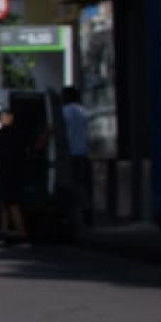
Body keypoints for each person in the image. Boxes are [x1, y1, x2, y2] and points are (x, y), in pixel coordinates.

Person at [0, 106, 31, 246]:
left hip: (11, 173)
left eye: (6, 116)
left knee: (12, 204)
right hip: (9, 173)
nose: (4, 119)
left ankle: (22, 235)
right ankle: (5, 233)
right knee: (5, 204)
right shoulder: (3, 135)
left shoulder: (6, 135)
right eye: (3, 116)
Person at [60, 85, 92, 227]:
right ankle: (87, 214)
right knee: (82, 186)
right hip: (83, 153)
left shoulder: (63, 112)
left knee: (68, 187)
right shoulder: (84, 112)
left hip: (69, 154)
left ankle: (71, 217)